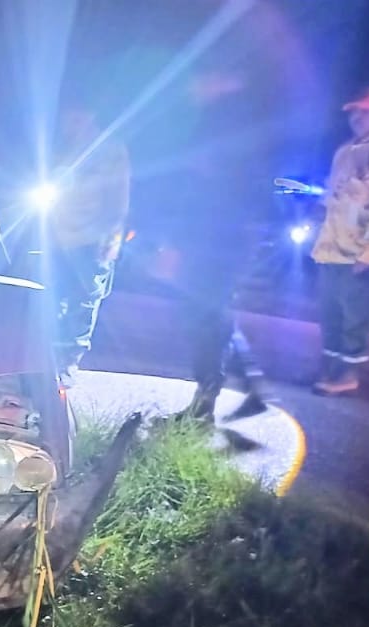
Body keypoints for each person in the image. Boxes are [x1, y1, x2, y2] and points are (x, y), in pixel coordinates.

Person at [141, 58, 274, 423]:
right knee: (209, 318)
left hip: (212, 243)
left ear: (219, 76)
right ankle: (206, 400)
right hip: (220, 241)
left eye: (196, 78)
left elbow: (206, 192)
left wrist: (176, 244)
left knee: (205, 320)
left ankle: (204, 406)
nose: (190, 88)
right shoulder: (235, 120)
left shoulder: (224, 122)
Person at [48, 96, 132, 381]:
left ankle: (68, 361)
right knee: (51, 299)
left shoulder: (110, 150)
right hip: (55, 237)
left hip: (90, 239)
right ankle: (45, 358)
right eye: (67, 118)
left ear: (90, 115)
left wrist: (112, 237)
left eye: (76, 117)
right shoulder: (58, 148)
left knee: (82, 302)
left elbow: (119, 198)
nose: (70, 124)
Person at [308, 86, 369, 396]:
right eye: (353, 112)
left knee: (356, 318)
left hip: (360, 254)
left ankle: (348, 375)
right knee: (331, 313)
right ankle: (331, 369)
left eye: (365, 111)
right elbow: (332, 194)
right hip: (331, 249)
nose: (357, 117)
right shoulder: (345, 151)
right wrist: (318, 212)